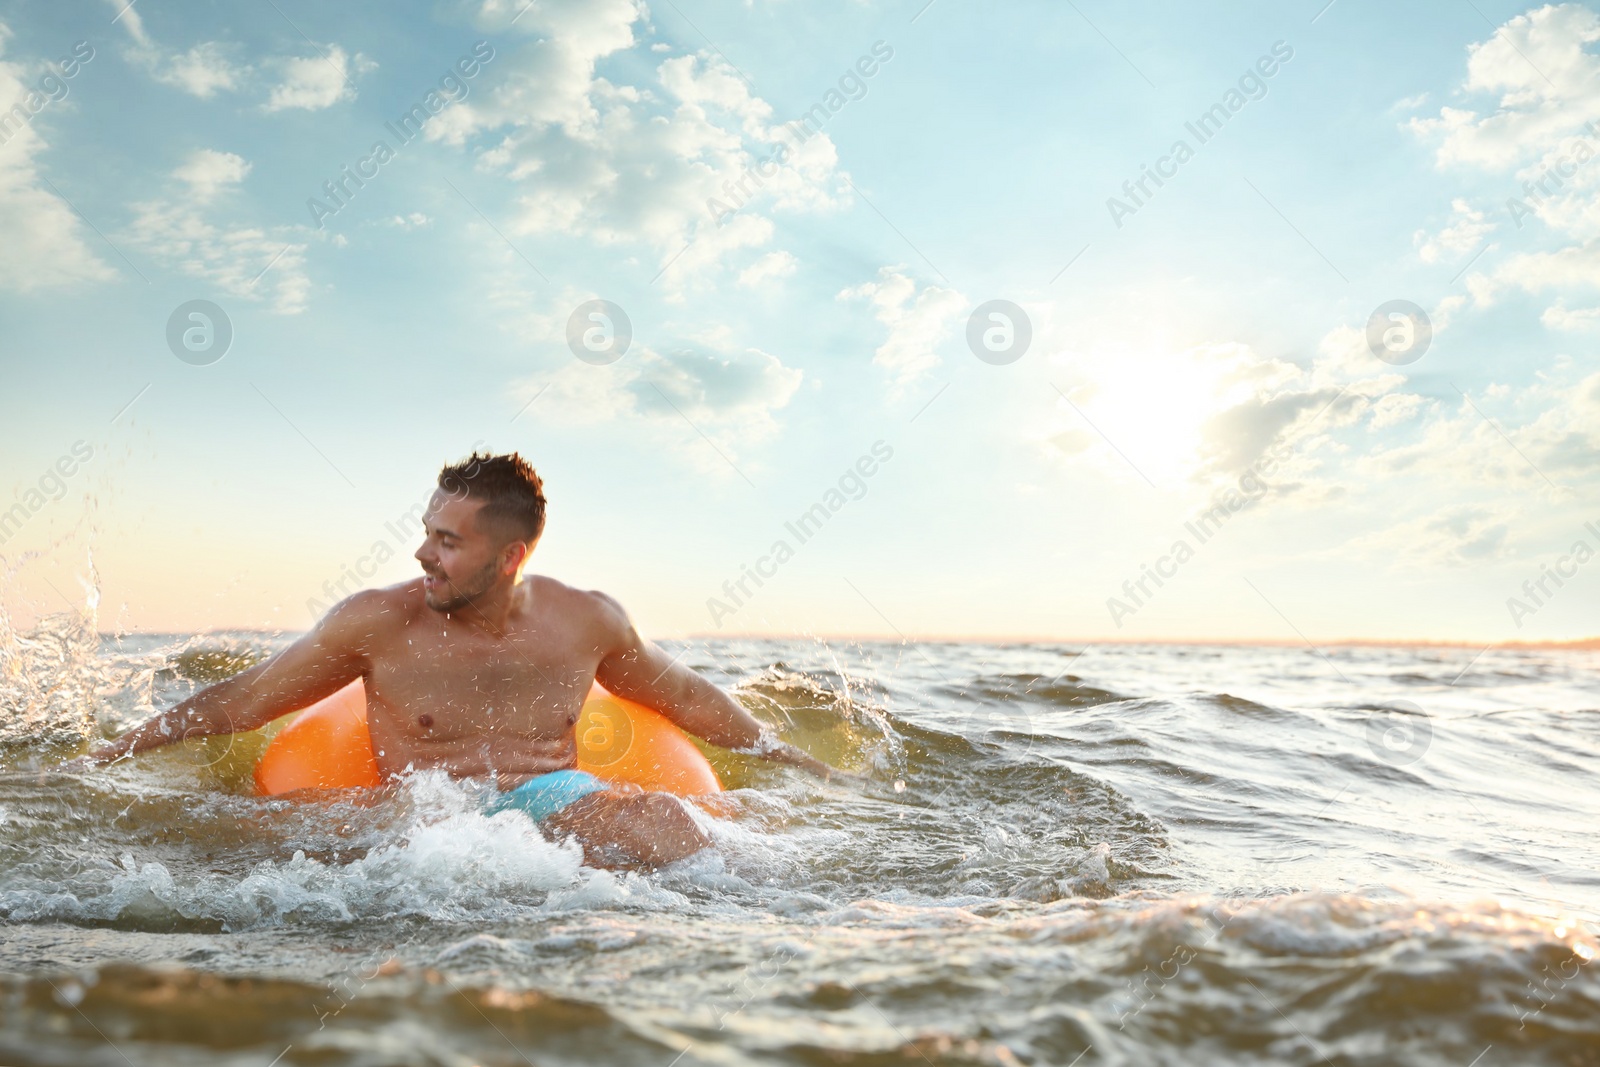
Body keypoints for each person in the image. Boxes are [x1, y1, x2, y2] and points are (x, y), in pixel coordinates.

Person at [77, 451, 840, 868]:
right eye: (427, 529)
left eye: (448, 539)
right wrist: (109, 753)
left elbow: (686, 697)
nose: (422, 552)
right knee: (213, 838)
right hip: (411, 813)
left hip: (549, 800)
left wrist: (799, 763)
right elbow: (241, 702)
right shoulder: (377, 622)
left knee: (672, 822)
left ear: (509, 556)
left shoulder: (585, 620)